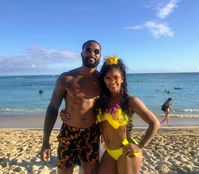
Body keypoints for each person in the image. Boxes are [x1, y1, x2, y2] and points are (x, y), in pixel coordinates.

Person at [40, 40, 102, 174]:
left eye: (96, 51)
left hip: (92, 134)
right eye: (88, 50)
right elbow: (52, 108)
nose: (92, 53)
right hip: (69, 133)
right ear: (82, 53)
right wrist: (45, 142)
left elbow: (115, 105)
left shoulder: (103, 80)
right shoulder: (66, 78)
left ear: (100, 56)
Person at [94, 56, 160, 174]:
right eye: (107, 78)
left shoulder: (131, 101)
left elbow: (155, 123)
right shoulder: (101, 102)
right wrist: (65, 114)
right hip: (109, 151)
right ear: (103, 80)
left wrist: (140, 146)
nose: (112, 81)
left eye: (116, 77)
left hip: (126, 151)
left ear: (122, 79)